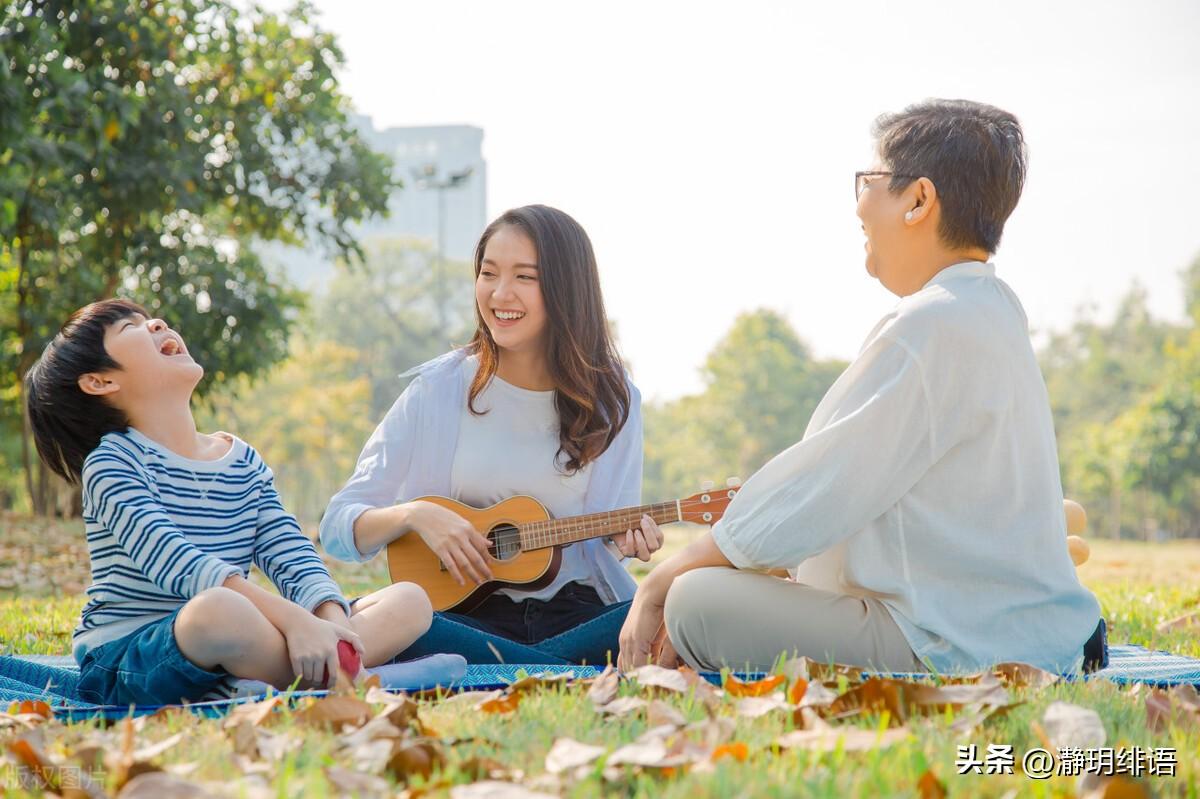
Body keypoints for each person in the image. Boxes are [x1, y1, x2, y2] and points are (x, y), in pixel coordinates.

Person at [618, 99, 1104, 676]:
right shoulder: (992, 308)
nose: (859, 205)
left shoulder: (931, 324)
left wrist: (667, 577)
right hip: (1012, 634)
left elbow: (826, 484)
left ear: (918, 200)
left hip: (949, 646)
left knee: (695, 601)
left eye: (870, 180)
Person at [24, 299, 432, 705]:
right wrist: (292, 621)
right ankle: (352, 676)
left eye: (150, 319)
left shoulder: (242, 460)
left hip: (245, 637)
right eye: (130, 327)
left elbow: (291, 554)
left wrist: (330, 622)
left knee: (409, 599)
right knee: (217, 611)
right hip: (132, 657)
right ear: (100, 382)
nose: (157, 324)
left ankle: (320, 667)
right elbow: (180, 564)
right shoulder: (112, 464)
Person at [320, 205, 663, 665]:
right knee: (405, 618)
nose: (501, 293)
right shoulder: (438, 391)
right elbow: (338, 526)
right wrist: (415, 514)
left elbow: (605, 541)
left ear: (568, 289)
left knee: (678, 605)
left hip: (576, 616)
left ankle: (509, 666)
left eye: (526, 277)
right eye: (489, 273)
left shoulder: (615, 401)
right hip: (461, 619)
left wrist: (624, 543)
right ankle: (546, 667)